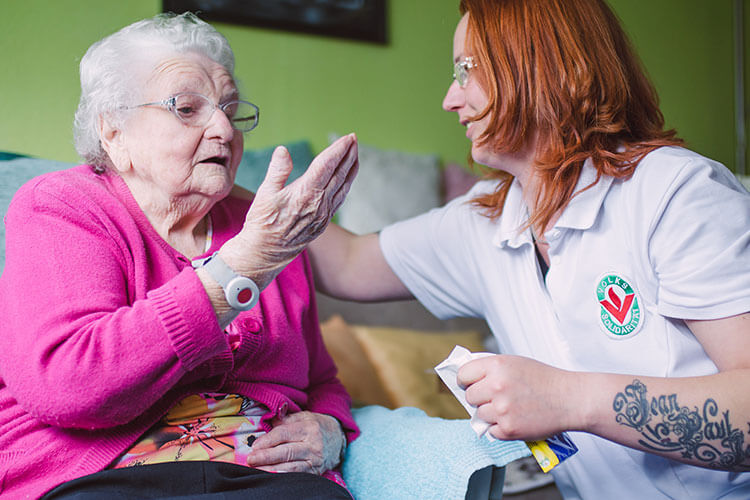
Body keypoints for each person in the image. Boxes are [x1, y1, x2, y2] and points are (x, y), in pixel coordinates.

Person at [309, 0, 750, 498]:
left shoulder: (678, 194)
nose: (449, 99)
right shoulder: (482, 222)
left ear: (542, 66)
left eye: (464, 70)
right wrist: (219, 173)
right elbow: (346, 265)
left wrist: (569, 400)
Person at [0, 12, 359, 500]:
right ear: (113, 130)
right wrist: (243, 266)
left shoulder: (269, 223)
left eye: (230, 111)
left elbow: (322, 379)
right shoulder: (63, 207)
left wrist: (331, 430)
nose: (224, 131)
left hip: (264, 482)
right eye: (187, 108)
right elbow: (67, 384)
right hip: (103, 478)